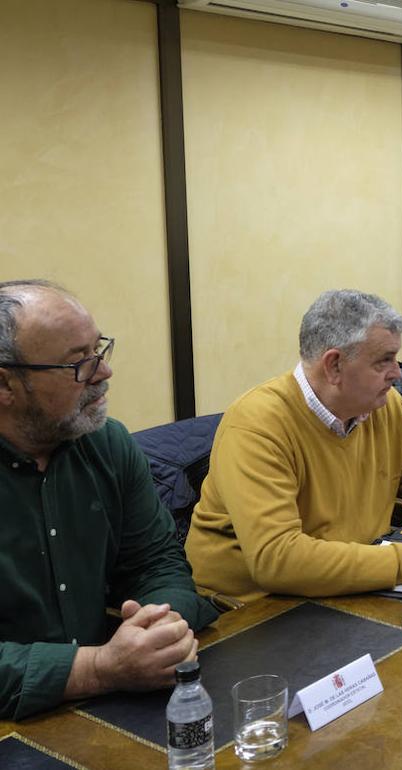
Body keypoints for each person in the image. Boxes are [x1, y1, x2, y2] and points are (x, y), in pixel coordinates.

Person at [186, 290, 402, 605]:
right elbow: (277, 559)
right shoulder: (257, 426)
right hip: (257, 609)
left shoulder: (384, 407)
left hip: (354, 579)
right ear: (334, 365)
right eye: (384, 360)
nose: (398, 374)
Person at [0, 280, 217, 720]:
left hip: (102, 711)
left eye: (98, 350)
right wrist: (98, 669)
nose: (102, 372)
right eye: (77, 363)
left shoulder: (106, 442)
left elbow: (157, 562)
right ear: (6, 384)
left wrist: (158, 625)